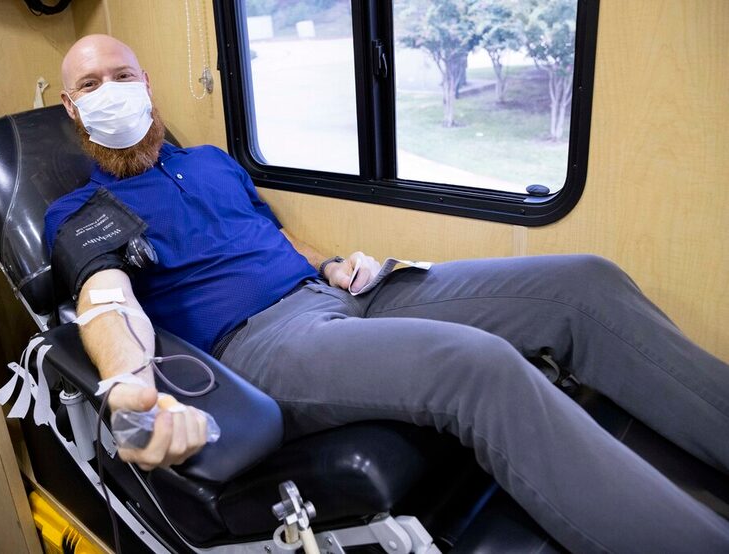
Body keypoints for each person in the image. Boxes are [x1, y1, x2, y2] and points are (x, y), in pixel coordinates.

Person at [45, 35, 729, 553]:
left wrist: (337, 264)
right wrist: (127, 386)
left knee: (583, 284)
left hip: (340, 296)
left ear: (148, 87)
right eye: (91, 84)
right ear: (74, 108)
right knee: (476, 364)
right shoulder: (84, 208)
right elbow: (107, 300)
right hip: (266, 344)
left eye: (123, 76)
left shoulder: (213, 163)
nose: (112, 90)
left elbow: (276, 241)